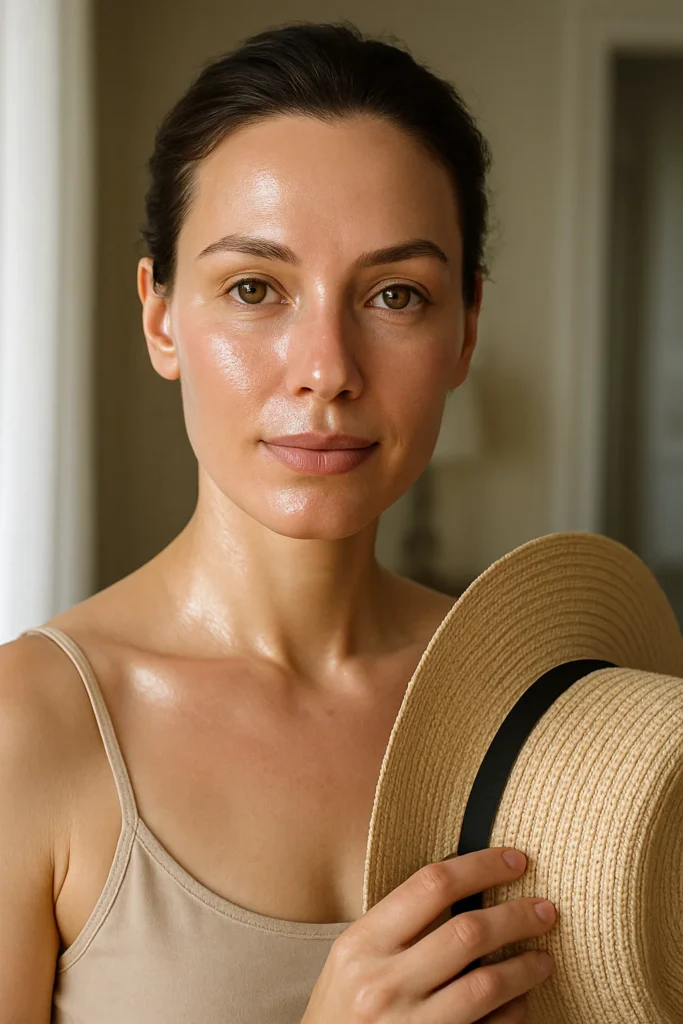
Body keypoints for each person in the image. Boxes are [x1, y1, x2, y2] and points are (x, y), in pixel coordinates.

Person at [0, 20, 557, 1022]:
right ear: (161, 316)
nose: (327, 369)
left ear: (466, 325)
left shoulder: (540, 708)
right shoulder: (25, 732)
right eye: (255, 288)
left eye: (394, 294)